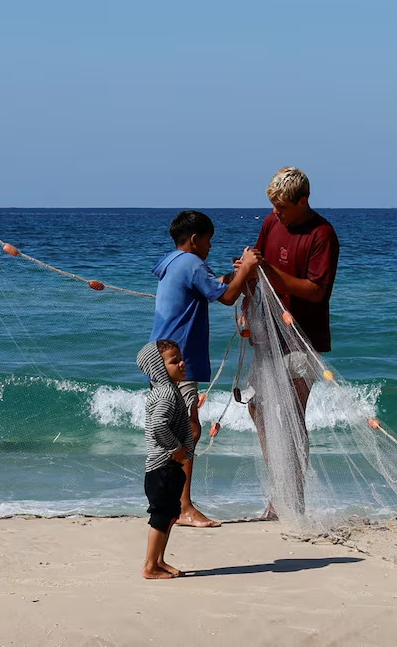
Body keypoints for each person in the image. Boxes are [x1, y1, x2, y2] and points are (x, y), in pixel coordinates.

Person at [150, 210, 262, 527]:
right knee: (189, 431)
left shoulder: (172, 262)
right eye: (209, 241)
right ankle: (182, 507)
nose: (210, 247)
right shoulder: (191, 263)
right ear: (196, 239)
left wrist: (235, 275)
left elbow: (215, 286)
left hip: (160, 355)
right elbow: (226, 297)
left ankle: (169, 503)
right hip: (177, 360)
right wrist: (249, 268)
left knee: (177, 430)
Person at [249, 166, 340, 519]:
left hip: (303, 338)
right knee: (257, 409)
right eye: (273, 206)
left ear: (304, 200)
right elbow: (258, 266)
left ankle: (295, 500)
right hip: (266, 333)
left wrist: (272, 273)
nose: (276, 213)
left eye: (284, 207)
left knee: (292, 416)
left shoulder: (322, 234)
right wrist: (245, 297)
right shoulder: (272, 222)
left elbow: (316, 292)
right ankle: (277, 491)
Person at [136, 340, 195, 579]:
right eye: (174, 361)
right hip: (163, 467)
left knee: (170, 514)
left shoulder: (167, 391)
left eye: (180, 358)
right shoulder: (167, 393)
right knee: (161, 517)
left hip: (168, 467)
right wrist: (175, 448)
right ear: (159, 368)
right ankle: (150, 566)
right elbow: (160, 424)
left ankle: (159, 561)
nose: (182, 363)